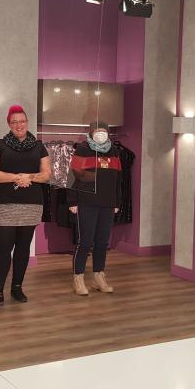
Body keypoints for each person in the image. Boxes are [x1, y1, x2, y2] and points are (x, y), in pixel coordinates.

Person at [0, 105, 52, 309]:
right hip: (3, 203)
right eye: (14, 122)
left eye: (22, 121)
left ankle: (17, 288)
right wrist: (17, 177)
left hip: (31, 204)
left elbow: (46, 174)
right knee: (3, 248)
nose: (19, 125)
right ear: (9, 124)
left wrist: (30, 177)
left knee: (23, 248)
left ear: (27, 122)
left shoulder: (39, 147)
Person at [68, 121, 121, 296]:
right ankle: (78, 278)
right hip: (86, 202)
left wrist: (117, 202)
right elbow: (72, 177)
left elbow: (118, 180)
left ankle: (99, 277)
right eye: (97, 130)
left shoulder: (114, 151)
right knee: (85, 242)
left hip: (107, 203)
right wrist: (72, 202)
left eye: (104, 130)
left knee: (102, 242)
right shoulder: (82, 149)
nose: (101, 133)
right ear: (91, 132)